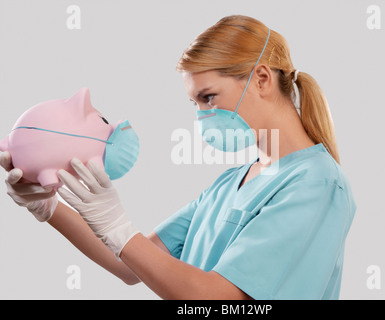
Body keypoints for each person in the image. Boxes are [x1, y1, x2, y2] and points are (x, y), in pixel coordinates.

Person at [0, 15, 356, 300]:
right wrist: (48, 207)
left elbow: (219, 300)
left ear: (262, 79)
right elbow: (127, 263)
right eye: (196, 104)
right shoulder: (231, 183)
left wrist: (116, 226)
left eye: (209, 97)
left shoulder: (316, 184)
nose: (203, 116)